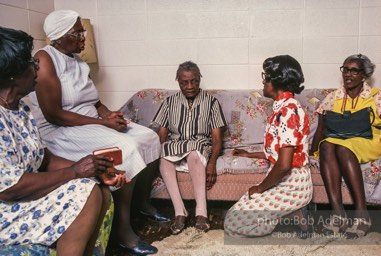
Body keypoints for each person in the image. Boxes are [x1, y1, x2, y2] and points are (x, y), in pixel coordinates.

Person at [28, 10, 164, 255]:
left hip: (89, 122)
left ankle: (143, 203)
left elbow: (95, 102)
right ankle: (124, 232)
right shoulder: (45, 59)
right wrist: (103, 125)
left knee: (149, 137)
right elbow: (54, 114)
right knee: (124, 149)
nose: (83, 38)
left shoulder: (79, 62)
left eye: (83, 32)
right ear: (58, 36)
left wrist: (109, 115)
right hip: (61, 129)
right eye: (78, 32)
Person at [0, 26, 129, 256]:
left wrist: (93, 168)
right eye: (31, 62)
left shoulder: (20, 108)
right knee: (86, 194)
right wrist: (75, 172)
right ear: (13, 73)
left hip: (20, 195)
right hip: (6, 208)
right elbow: (9, 188)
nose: (37, 66)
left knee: (101, 190)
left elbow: (43, 159)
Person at [224, 55, 313, 238]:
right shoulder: (281, 107)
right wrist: (249, 155)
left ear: (276, 81)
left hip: (292, 184)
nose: (263, 81)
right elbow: (277, 153)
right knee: (238, 212)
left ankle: (294, 212)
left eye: (266, 77)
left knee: (232, 224)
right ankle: (290, 212)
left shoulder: (289, 111)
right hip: (280, 178)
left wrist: (261, 188)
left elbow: (284, 165)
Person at [310, 54, 381, 239]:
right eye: (345, 69)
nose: (348, 74)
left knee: (342, 147)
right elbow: (321, 129)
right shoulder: (333, 97)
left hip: (369, 140)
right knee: (326, 145)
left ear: (364, 75)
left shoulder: (375, 96)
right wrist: (311, 154)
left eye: (354, 70)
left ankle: (362, 215)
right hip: (339, 139)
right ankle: (338, 214)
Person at [152, 61, 227, 234]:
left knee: (194, 154)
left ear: (200, 79)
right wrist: (157, 159)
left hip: (199, 145)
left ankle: (201, 212)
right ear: (178, 81)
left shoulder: (211, 102)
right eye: (184, 82)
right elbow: (162, 135)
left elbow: (216, 139)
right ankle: (180, 212)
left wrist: (212, 163)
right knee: (164, 155)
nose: (190, 86)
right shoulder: (169, 102)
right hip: (176, 144)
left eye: (194, 81)